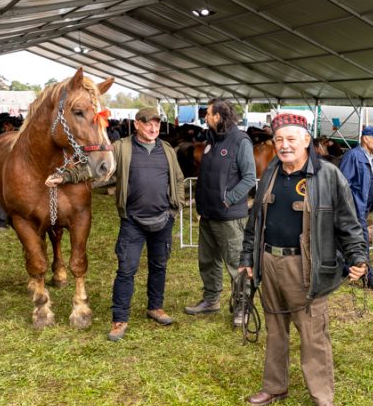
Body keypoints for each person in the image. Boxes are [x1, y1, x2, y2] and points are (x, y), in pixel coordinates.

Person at [238, 113, 367, 406]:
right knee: (274, 329)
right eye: (279, 139)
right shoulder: (270, 171)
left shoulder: (328, 176)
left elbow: (349, 223)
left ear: (307, 141)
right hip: (269, 262)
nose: (284, 146)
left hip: (307, 266)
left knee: (313, 335)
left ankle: (323, 399)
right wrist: (248, 258)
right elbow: (255, 222)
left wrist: (358, 257)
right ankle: (274, 387)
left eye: (291, 139)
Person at [46, 107, 185, 341]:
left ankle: (155, 307)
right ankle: (119, 319)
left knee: (159, 266)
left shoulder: (168, 150)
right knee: (126, 271)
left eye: (157, 124)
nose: (153, 128)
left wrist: (175, 208)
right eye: (147, 123)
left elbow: (179, 179)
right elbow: (92, 167)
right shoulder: (121, 148)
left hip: (163, 220)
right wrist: (66, 176)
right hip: (133, 222)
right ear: (136, 125)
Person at [185, 99, 256, 326]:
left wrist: (229, 200)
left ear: (218, 116)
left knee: (237, 264)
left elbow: (248, 178)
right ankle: (211, 299)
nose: (205, 117)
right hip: (208, 214)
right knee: (208, 260)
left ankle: (242, 307)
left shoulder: (240, 141)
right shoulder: (211, 141)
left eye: (208, 114)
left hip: (230, 217)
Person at [339, 125, 373, 290]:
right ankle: (368, 276)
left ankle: (345, 269)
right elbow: (343, 184)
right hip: (354, 208)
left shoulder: (372, 158)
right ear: (365, 138)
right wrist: (349, 206)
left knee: (348, 240)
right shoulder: (353, 156)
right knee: (362, 241)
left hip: (363, 208)